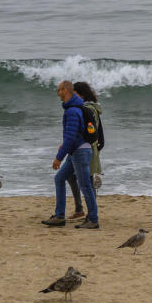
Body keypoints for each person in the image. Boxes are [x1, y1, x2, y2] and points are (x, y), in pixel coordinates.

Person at [41, 80, 98, 229]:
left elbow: (71, 137)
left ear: (65, 90)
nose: (58, 93)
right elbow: (71, 136)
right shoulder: (73, 108)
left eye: (59, 90)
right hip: (76, 151)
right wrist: (65, 147)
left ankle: (93, 219)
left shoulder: (72, 111)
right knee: (59, 178)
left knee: (85, 185)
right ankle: (59, 216)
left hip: (80, 151)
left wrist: (58, 157)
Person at [63, 81, 104, 218]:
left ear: (81, 94)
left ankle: (90, 213)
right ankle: (80, 209)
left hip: (85, 148)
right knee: (72, 176)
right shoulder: (91, 108)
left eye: (74, 94)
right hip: (84, 147)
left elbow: (87, 130)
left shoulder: (87, 108)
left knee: (87, 180)